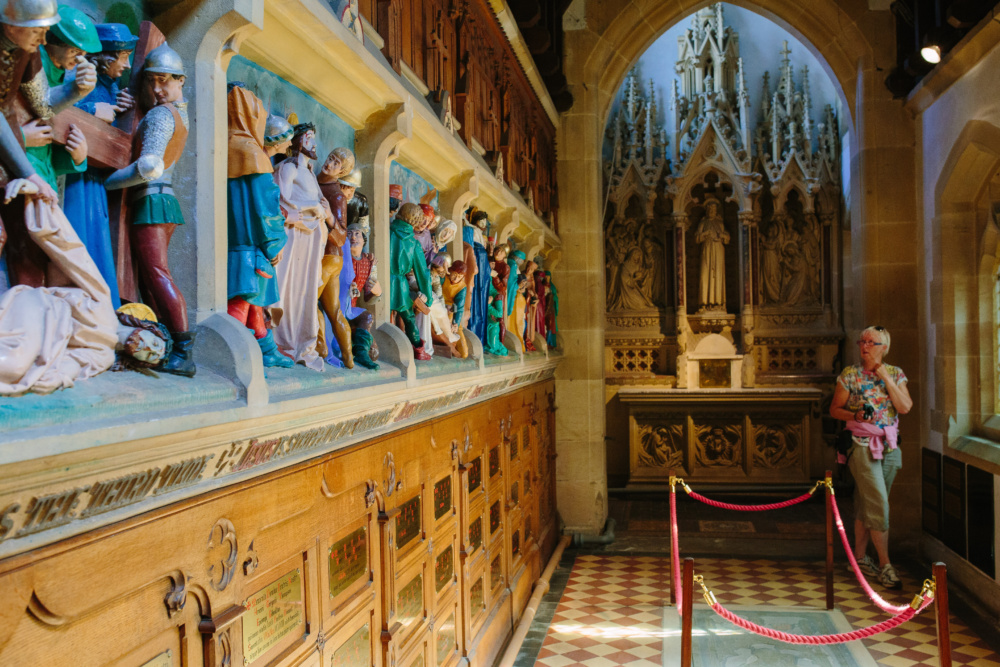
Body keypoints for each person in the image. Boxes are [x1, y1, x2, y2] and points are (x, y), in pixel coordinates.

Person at [104, 43, 194, 376]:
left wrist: (107, 184)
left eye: (166, 81)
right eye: (152, 81)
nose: (158, 89)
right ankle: (168, 341)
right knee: (152, 275)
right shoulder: (175, 112)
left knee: (157, 274)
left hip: (153, 198)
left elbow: (148, 167)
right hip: (160, 200)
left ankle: (183, 349)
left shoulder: (160, 115)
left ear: (180, 81)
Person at [829, 326, 913, 589]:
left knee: (869, 501)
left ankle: (861, 558)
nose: (864, 346)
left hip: (889, 445)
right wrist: (855, 416)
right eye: (862, 341)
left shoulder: (896, 373)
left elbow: (905, 407)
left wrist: (885, 376)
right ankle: (886, 565)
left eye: (871, 342)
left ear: (883, 347)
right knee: (878, 502)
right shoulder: (850, 375)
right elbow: (834, 409)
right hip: (861, 444)